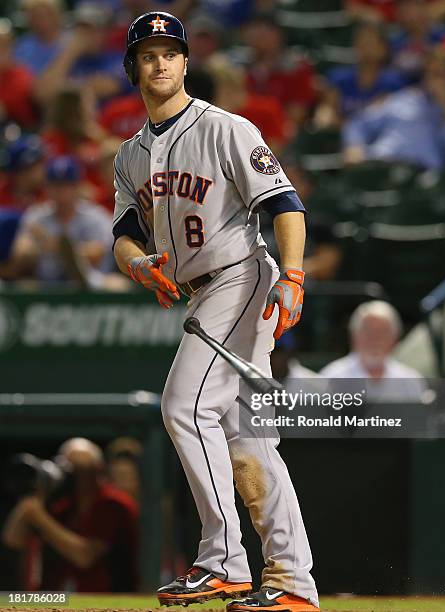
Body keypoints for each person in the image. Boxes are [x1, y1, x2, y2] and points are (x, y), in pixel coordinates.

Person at [112, 11, 319, 612]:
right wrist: (135, 263)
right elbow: (125, 231)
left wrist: (296, 274)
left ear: (184, 62)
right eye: (148, 53)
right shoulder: (129, 155)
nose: (160, 62)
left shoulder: (226, 127)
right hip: (202, 292)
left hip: (241, 276)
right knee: (245, 438)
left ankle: (222, 560)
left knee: (184, 405)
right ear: (134, 68)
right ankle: (292, 584)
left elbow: (286, 203)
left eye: (169, 52)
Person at [1, 437, 139, 591]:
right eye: (67, 468)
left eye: (80, 469)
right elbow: (12, 540)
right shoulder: (63, 507)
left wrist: (39, 517)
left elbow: (85, 557)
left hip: (110, 598)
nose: (74, 476)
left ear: (97, 469)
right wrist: (29, 503)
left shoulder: (114, 503)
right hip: (61, 599)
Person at [343, 46, 445, 169]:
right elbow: (358, 123)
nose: (434, 80)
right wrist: (354, 145)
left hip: (421, 179)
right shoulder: (404, 99)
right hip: (382, 163)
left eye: (440, 74)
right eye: (430, 73)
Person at [9, 155, 114, 287]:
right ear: (47, 188)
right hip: (46, 283)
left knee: (116, 284)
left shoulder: (96, 215)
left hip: (91, 283)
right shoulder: (36, 215)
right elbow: (21, 253)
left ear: (77, 187)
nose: (62, 192)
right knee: (24, 286)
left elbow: (97, 253)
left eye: (67, 185)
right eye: (56, 185)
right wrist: (32, 248)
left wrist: (54, 246)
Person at [319, 300, 427, 402]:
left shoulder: (411, 380)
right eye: (368, 331)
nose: (375, 339)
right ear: (354, 336)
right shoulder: (331, 377)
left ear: (394, 339)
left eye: (383, 332)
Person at [326, 22, 407, 117]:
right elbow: (329, 112)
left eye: (370, 42)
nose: (366, 47)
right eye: (362, 42)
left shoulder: (395, 82)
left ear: (383, 49)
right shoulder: (339, 78)